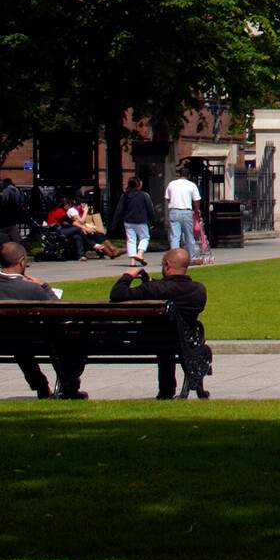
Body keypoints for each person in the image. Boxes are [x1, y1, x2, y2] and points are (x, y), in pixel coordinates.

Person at [0, 241, 85, 398]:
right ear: (21, 261)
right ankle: (69, 387)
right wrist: (45, 287)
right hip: (35, 340)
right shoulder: (31, 288)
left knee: (20, 345)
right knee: (62, 341)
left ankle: (40, 385)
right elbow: (59, 312)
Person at [110, 247, 212, 399]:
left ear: (167, 265)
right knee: (168, 341)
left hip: (146, 340)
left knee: (163, 343)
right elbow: (173, 290)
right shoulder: (198, 290)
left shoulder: (152, 289)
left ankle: (166, 390)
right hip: (182, 340)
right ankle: (173, 389)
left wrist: (128, 276)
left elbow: (117, 294)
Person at [161, 167, 202, 266]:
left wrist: (172, 206)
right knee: (189, 236)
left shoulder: (172, 184)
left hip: (174, 211)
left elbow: (167, 198)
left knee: (175, 236)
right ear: (188, 175)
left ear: (179, 174)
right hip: (186, 211)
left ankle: (173, 259)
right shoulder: (191, 185)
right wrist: (196, 209)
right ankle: (192, 257)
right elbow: (196, 200)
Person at [114, 177, 154, 261]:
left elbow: (119, 209)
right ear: (138, 185)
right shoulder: (144, 195)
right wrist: (152, 221)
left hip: (128, 221)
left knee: (131, 240)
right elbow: (150, 209)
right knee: (144, 238)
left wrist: (114, 223)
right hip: (141, 221)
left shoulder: (125, 195)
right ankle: (139, 254)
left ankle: (132, 261)